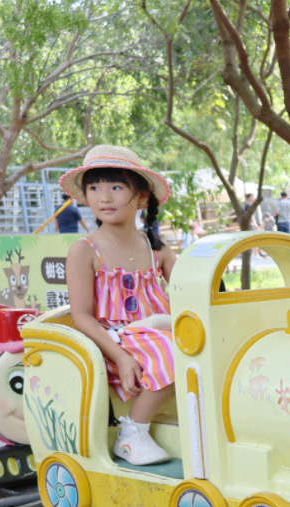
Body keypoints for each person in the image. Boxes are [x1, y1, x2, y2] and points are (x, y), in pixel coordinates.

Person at [62, 145, 178, 466]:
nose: (104, 197)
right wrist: (121, 357)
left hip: (159, 332)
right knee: (174, 349)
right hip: (115, 341)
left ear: (141, 196)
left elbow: (189, 295)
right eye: (94, 188)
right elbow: (82, 316)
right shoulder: (84, 250)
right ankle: (133, 433)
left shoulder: (158, 250)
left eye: (116, 186)